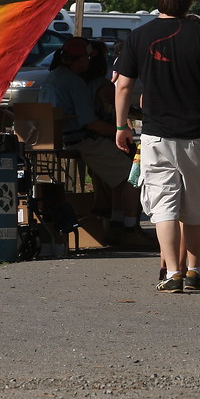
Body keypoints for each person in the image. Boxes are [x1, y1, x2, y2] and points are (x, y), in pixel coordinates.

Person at [115, 0, 200, 293]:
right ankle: (195, 269)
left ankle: (171, 272)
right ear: (189, 0)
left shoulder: (139, 36)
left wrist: (120, 125)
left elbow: (124, 85)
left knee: (163, 205)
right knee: (197, 203)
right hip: (196, 132)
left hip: (156, 133)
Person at [39, 37, 145, 246]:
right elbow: (90, 123)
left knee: (117, 177)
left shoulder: (53, 77)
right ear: (77, 60)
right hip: (82, 140)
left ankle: (115, 225)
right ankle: (129, 228)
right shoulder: (74, 81)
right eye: (87, 57)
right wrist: (121, 132)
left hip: (63, 138)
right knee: (133, 174)